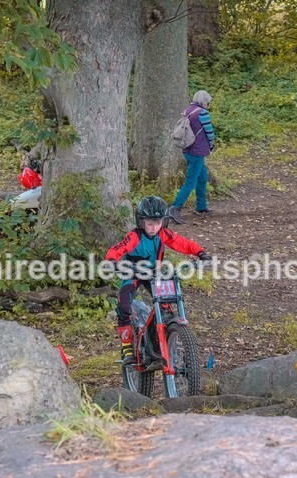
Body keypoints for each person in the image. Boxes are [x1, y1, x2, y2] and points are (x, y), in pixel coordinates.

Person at [105, 196, 211, 365]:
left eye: (158, 222)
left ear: (164, 221)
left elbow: (181, 243)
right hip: (133, 273)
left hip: (155, 273)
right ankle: (126, 347)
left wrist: (200, 252)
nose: (154, 227)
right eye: (149, 223)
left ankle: (165, 332)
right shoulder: (134, 236)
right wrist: (111, 261)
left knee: (167, 301)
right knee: (124, 305)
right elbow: (119, 248)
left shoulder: (163, 234)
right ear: (141, 222)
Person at [168, 90, 216, 225]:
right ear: (204, 101)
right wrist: (211, 145)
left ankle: (201, 207)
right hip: (197, 151)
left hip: (187, 149)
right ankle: (175, 208)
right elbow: (209, 132)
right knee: (190, 181)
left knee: (203, 177)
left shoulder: (188, 109)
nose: (208, 105)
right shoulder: (203, 113)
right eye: (207, 102)